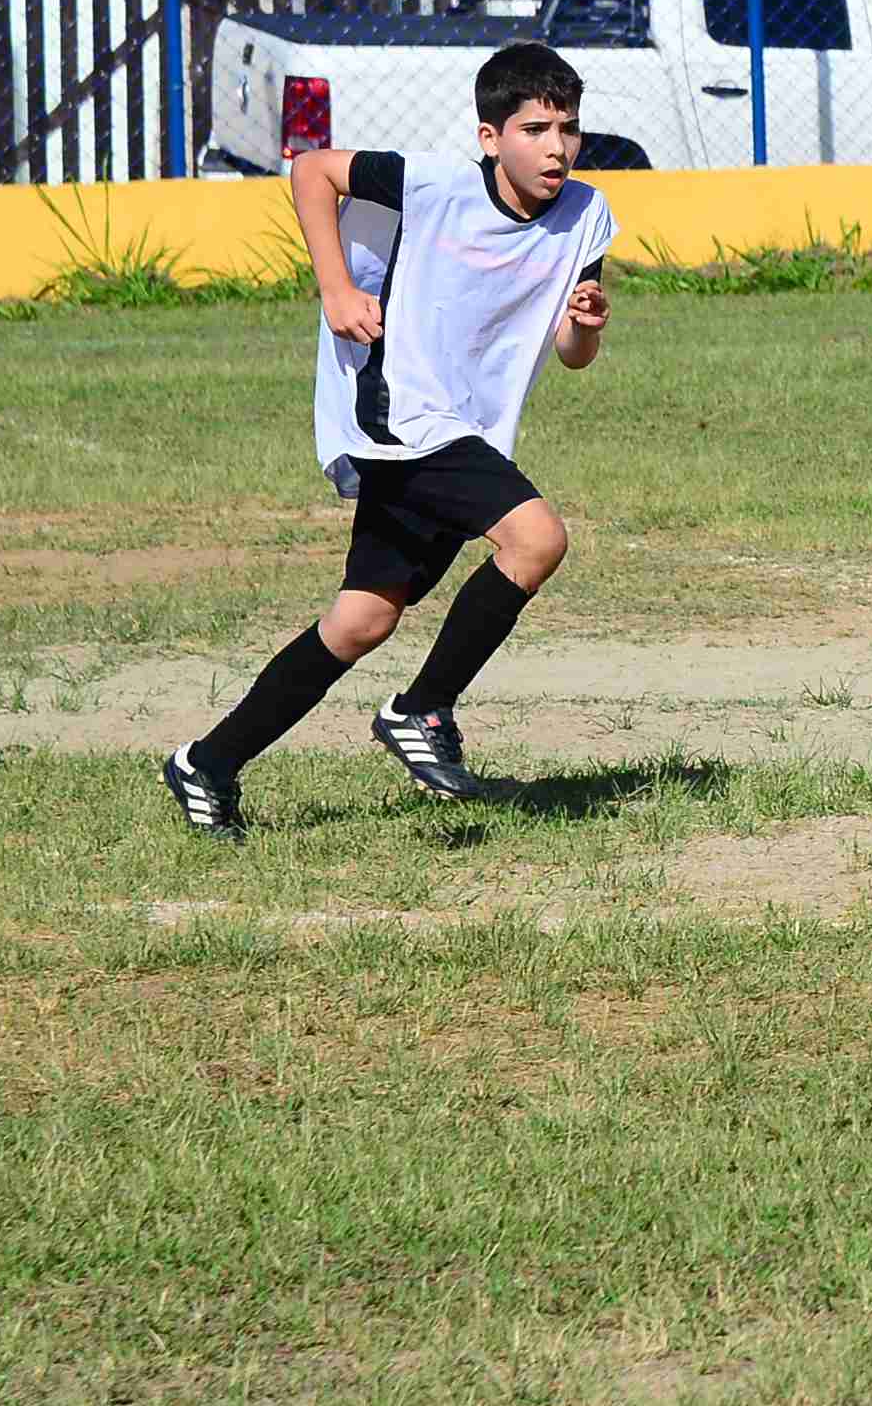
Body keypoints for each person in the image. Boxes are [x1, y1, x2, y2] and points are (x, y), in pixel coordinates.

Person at [162, 42, 616, 836]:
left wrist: (584, 328)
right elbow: (312, 170)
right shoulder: (432, 185)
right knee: (537, 537)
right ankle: (424, 709)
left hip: (466, 429)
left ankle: (209, 761)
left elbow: (574, 358)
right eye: (536, 127)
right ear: (489, 137)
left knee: (362, 620)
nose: (556, 147)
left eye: (569, 128)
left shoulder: (589, 215)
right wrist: (336, 285)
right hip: (401, 413)